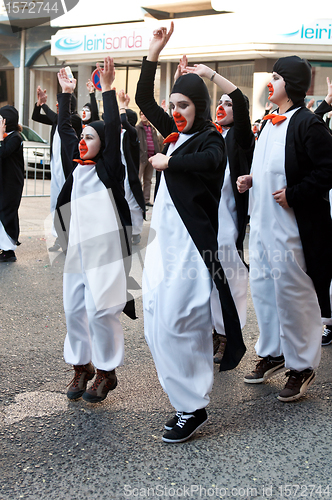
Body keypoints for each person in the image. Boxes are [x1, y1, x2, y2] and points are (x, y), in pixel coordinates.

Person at [136, 22, 245, 443]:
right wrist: (153, 51)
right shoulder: (175, 135)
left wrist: (169, 164)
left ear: (199, 107)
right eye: (173, 105)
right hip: (164, 246)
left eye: (185, 105)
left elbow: (210, 162)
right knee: (155, 325)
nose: (177, 111)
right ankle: (184, 401)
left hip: (193, 251)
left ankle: (193, 405)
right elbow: (145, 98)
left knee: (183, 322)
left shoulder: (208, 140)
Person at [237, 56, 332, 402]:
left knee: (295, 298)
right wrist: (251, 179)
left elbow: (327, 171)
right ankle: (274, 351)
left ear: (290, 84)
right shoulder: (267, 123)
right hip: (261, 228)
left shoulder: (309, 124)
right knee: (263, 292)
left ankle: (303, 365)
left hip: (292, 231)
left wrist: (295, 194)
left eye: (275, 77)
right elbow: (270, 169)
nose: (269, 83)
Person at [54, 57, 135, 404]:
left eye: (91, 136)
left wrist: (109, 89)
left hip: (107, 254)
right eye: (83, 135)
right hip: (78, 251)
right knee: (74, 309)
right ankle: (81, 365)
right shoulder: (76, 165)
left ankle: (106, 371)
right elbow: (64, 130)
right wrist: (67, 95)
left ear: (103, 143)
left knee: (102, 311)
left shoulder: (110, 169)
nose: (84, 139)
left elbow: (113, 126)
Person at [184, 63, 254, 364]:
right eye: (220, 104)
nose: (224, 107)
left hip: (229, 222)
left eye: (228, 104)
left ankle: (229, 336)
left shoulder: (240, 138)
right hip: (208, 219)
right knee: (208, 278)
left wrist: (210, 75)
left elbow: (240, 100)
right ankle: (215, 331)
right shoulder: (209, 136)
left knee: (232, 280)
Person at [31, 86, 82, 252]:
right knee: (56, 203)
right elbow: (35, 116)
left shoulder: (73, 120)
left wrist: (45, 105)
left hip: (68, 169)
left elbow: (58, 119)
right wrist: (39, 104)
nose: (57, 108)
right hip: (56, 167)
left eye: (60, 105)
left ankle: (69, 238)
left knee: (67, 204)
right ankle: (60, 238)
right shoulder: (58, 119)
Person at [118, 90, 145, 245]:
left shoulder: (132, 133)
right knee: (123, 202)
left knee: (133, 203)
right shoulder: (122, 134)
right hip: (121, 173)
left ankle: (136, 232)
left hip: (131, 175)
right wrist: (125, 106)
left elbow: (124, 121)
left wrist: (122, 105)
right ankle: (126, 229)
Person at [0, 106, 24, 263]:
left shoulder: (15, 137)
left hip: (11, 184)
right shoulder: (7, 136)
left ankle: (9, 251)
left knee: (7, 213)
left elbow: (3, 153)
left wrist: (0, 138)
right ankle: (4, 247)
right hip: (4, 182)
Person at [136, 110, 162, 206]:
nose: (144, 116)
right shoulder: (138, 128)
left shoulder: (152, 129)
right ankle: (138, 199)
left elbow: (156, 142)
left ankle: (146, 199)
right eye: (142, 114)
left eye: (145, 114)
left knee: (148, 180)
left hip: (152, 157)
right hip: (142, 157)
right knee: (139, 179)